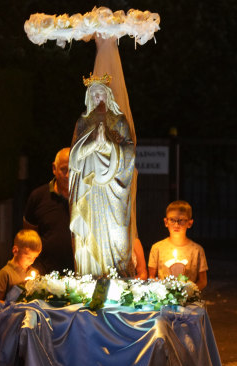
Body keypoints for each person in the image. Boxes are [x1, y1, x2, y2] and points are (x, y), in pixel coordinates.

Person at [69, 36, 144, 278]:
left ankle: (116, 275)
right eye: (94, 95)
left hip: (113, 194)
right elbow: (74, 158)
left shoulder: (119, 122)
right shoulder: (83, 122)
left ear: (108, 96)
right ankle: (91, 275)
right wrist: (92, 145)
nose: (97, 99)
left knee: (117, 236)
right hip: (90, 192)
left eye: (101, 94)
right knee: (91, 238)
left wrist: (110, 146)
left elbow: (128, 152)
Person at [23, 148, 75, 273]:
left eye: (73, 169)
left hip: (81, 277)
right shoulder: (38, 197)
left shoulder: (88, 198)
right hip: (46, 276)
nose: (68, 175)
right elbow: (29, 236)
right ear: (54, 168)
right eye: (64, 169)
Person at [147, 201, 208, 289]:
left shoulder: (197, 250)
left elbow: (203, 281)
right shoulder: (157, 248)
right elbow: (151, 277)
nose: (176, 224)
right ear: (166, 222)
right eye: (172, 220)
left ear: (190, 223)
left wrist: (190, 292)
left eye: (181, 220)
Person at [0, 230, 42, 296]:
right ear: (15, 251)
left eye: (35, 257)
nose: (32, 261)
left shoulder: (34, 272)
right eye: (28, 257)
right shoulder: (5, 274)